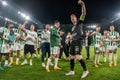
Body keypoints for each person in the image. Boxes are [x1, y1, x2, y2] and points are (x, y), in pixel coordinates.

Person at [65, 0, 89, 79]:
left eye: (73, 17)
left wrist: (83, 4)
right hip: (73, 42)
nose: (72, 19)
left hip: (78, 41)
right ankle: (72, 71)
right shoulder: (72, 28)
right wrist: (69, 38)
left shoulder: (79, 22)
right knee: (71, 57)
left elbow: (84, 13)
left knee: (78, 57)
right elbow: (73, 35)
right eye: (71, 18)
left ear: (76, 18)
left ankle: (86, 71)